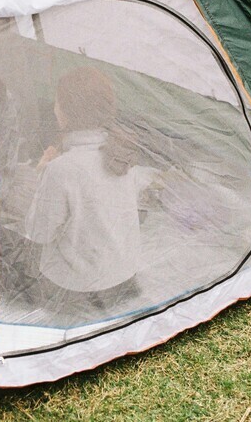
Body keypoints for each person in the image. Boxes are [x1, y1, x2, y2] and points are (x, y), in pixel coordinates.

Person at [24, 66, 154, 304]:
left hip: (77, 286)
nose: (54, 108)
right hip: (124, 274)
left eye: (57, 103)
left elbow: (38, 232)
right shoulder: (122, 152)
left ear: (66, 112)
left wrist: (41, 173)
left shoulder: (60, 169)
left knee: (7, 252)